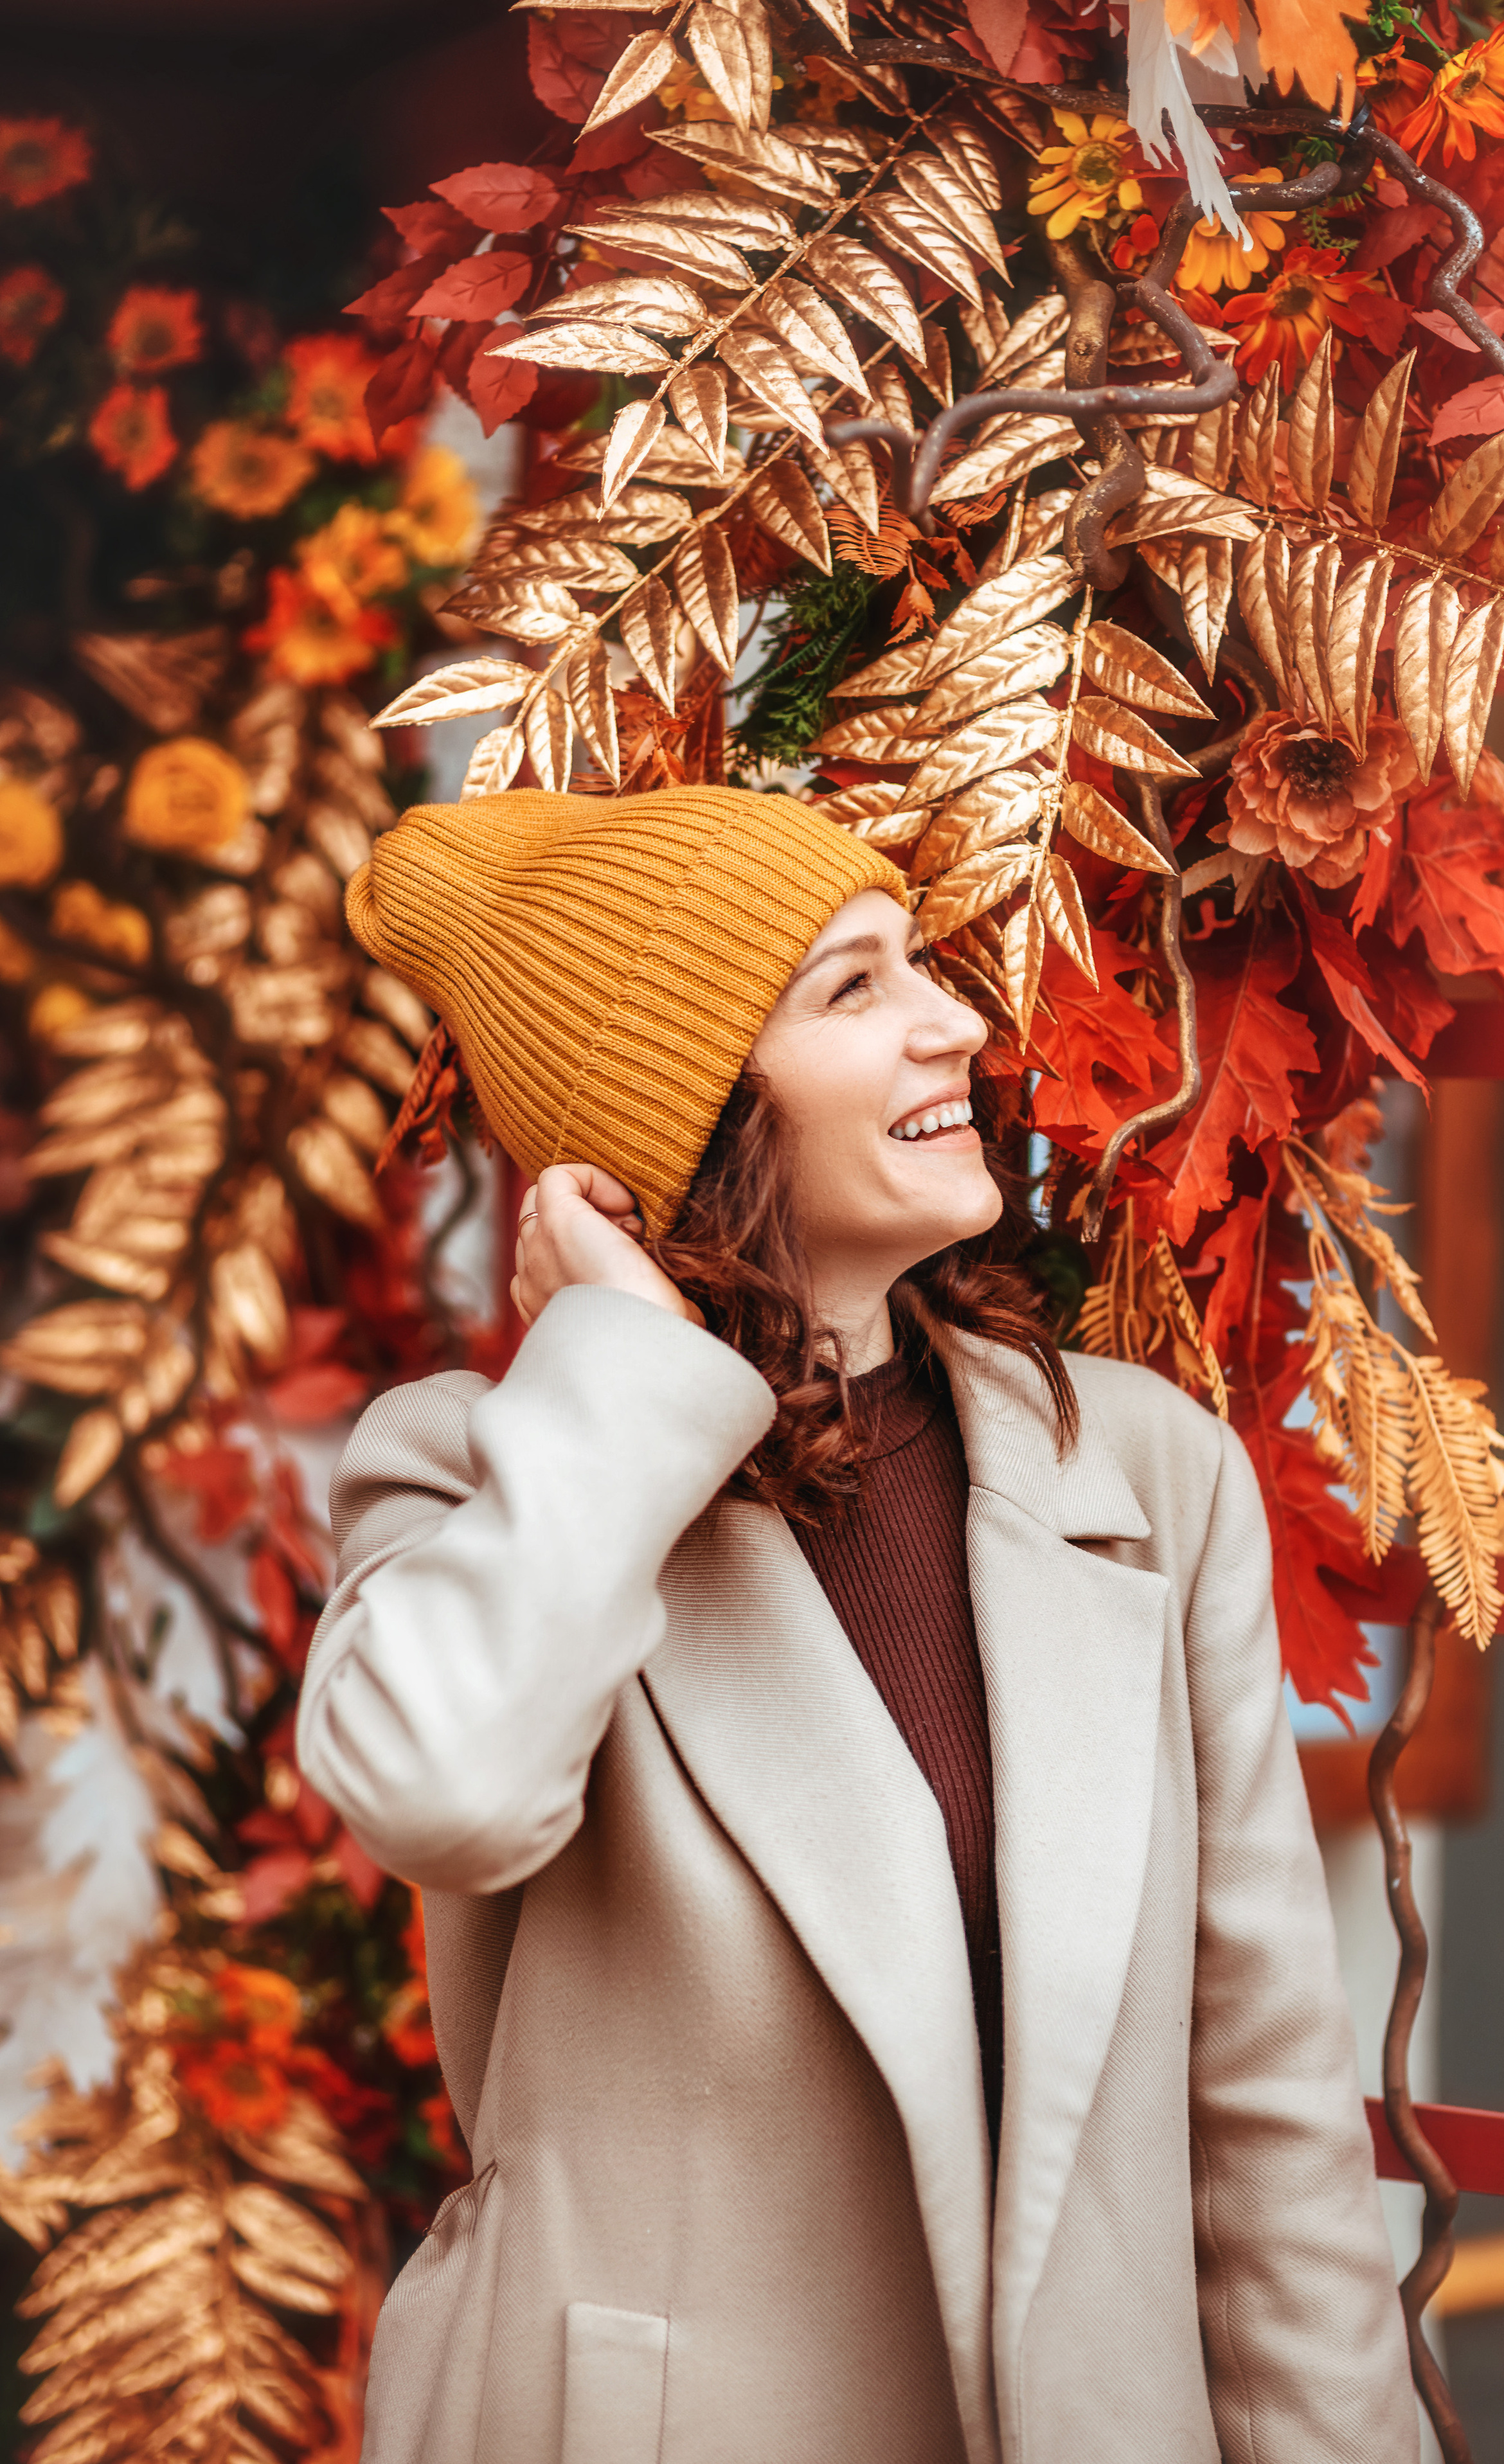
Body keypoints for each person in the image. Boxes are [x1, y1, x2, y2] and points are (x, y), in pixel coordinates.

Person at [297, 783, 1418, 2464]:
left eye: (918, 966)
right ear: (691, 1117)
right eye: (854, 989)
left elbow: (1261, 2100)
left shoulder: (1141, 1470)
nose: (952, 1019)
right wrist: (623, 1363)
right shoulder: (492, 1478)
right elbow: (441, 1783)